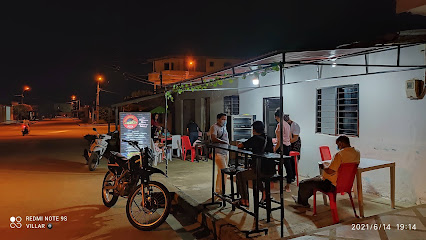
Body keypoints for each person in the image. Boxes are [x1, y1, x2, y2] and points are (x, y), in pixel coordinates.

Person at [292, 135, 360, 207]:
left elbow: (330, 171)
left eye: (337, 145)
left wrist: (324, 166)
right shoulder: (356, 152)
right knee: (313, 181)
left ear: (341, 143)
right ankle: (302, 199)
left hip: (330, 184)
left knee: (303, 183)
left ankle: (302, 202)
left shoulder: (339, 155)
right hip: (345, 184)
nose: (338, 147)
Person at [235, 121, 274, 207]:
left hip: (260, 169)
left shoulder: (255, 138)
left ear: (254, 130)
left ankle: (244, 200)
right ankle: (264, 193)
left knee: (240, 175)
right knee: (255, 177)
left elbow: (241, 146)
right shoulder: (269, 138)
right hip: (271, 169)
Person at [273, 108, 293, 192]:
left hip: (282, 147)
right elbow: (290, 137)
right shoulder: (287, 125)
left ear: (276, 117)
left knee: (277, 164)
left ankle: (277, 181)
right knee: (288, 166)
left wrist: (274, 149)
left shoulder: (279, 125)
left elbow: (279, 141)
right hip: (288, 146)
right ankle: (288, 185)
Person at [209, 113, 229, 194]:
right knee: (224, 171)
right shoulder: (214, 127)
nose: (224, 121)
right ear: (218, 119)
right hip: (218, 153)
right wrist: (224, 142)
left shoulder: (224, 127)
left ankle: (219, 189)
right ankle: (221, 190)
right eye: (223, 119)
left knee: (221, 172)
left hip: (225, 152)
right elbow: (213, 138)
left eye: (225, 119)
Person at [284, 114, 301, 182]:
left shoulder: (295, 126)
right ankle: (289, 175)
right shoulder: (286, 125)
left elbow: (295, 138)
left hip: (295, 143)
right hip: (288, 142)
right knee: (287, 159)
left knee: (293, 160)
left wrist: (288, 142)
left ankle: (292, 176)